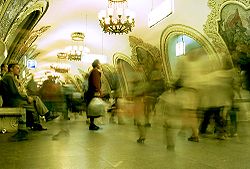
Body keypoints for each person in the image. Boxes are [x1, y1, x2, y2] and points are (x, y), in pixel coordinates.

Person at [1, 63, 48, 130]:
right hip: (13, 101)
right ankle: (41, 120)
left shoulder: (9, 77)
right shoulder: (9, 77)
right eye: (17, 68)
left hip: (12, 100)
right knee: (33, 104)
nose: (19, 70)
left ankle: (42, 120)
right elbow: (15, 92)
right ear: (11, 69)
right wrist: (26, 98)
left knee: (35, 100)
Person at [85, 59, 102, 130]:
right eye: (99, 63)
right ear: (97, 64)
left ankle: (92, 124)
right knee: (93, 108)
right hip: (92, 92)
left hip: (90, 92)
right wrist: (99, 90)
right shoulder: (95, 71)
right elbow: (96, 82)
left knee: (91, 107)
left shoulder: (92, 71)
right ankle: (92, 125)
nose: (100, 64)